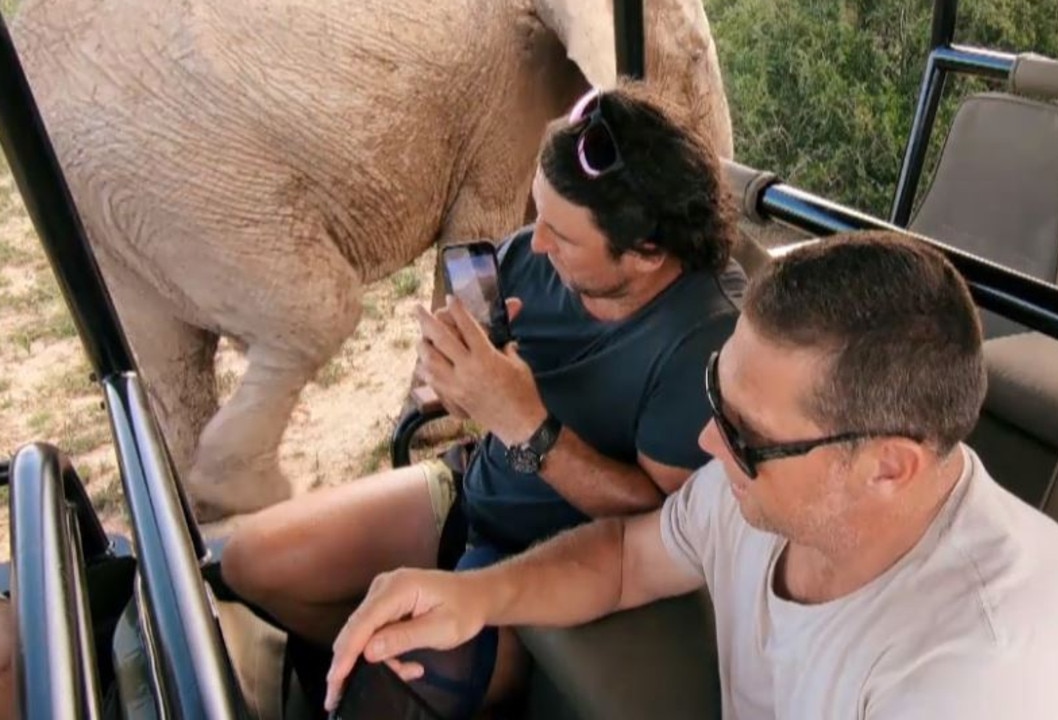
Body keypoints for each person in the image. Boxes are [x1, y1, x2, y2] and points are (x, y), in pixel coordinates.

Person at [324, 231, 1058, 719]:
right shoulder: (782, 489)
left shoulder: (986, 677)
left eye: (748, 435)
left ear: (889, 467)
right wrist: (473, 598)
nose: (710, 442)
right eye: (718, 388)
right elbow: (624, 560)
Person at [219, 82, 745, 716]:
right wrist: (456, 376)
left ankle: (414, 680)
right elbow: (479, 388)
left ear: (646, 253)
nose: (537, 243)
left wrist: (526, 423)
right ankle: (372, 671)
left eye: (563, 235)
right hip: (472, 488)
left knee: (383, 680)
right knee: (252, 562)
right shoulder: (534, 256)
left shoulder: (705, 338)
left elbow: (663, 520)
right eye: (538, 213)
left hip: (554, 563)